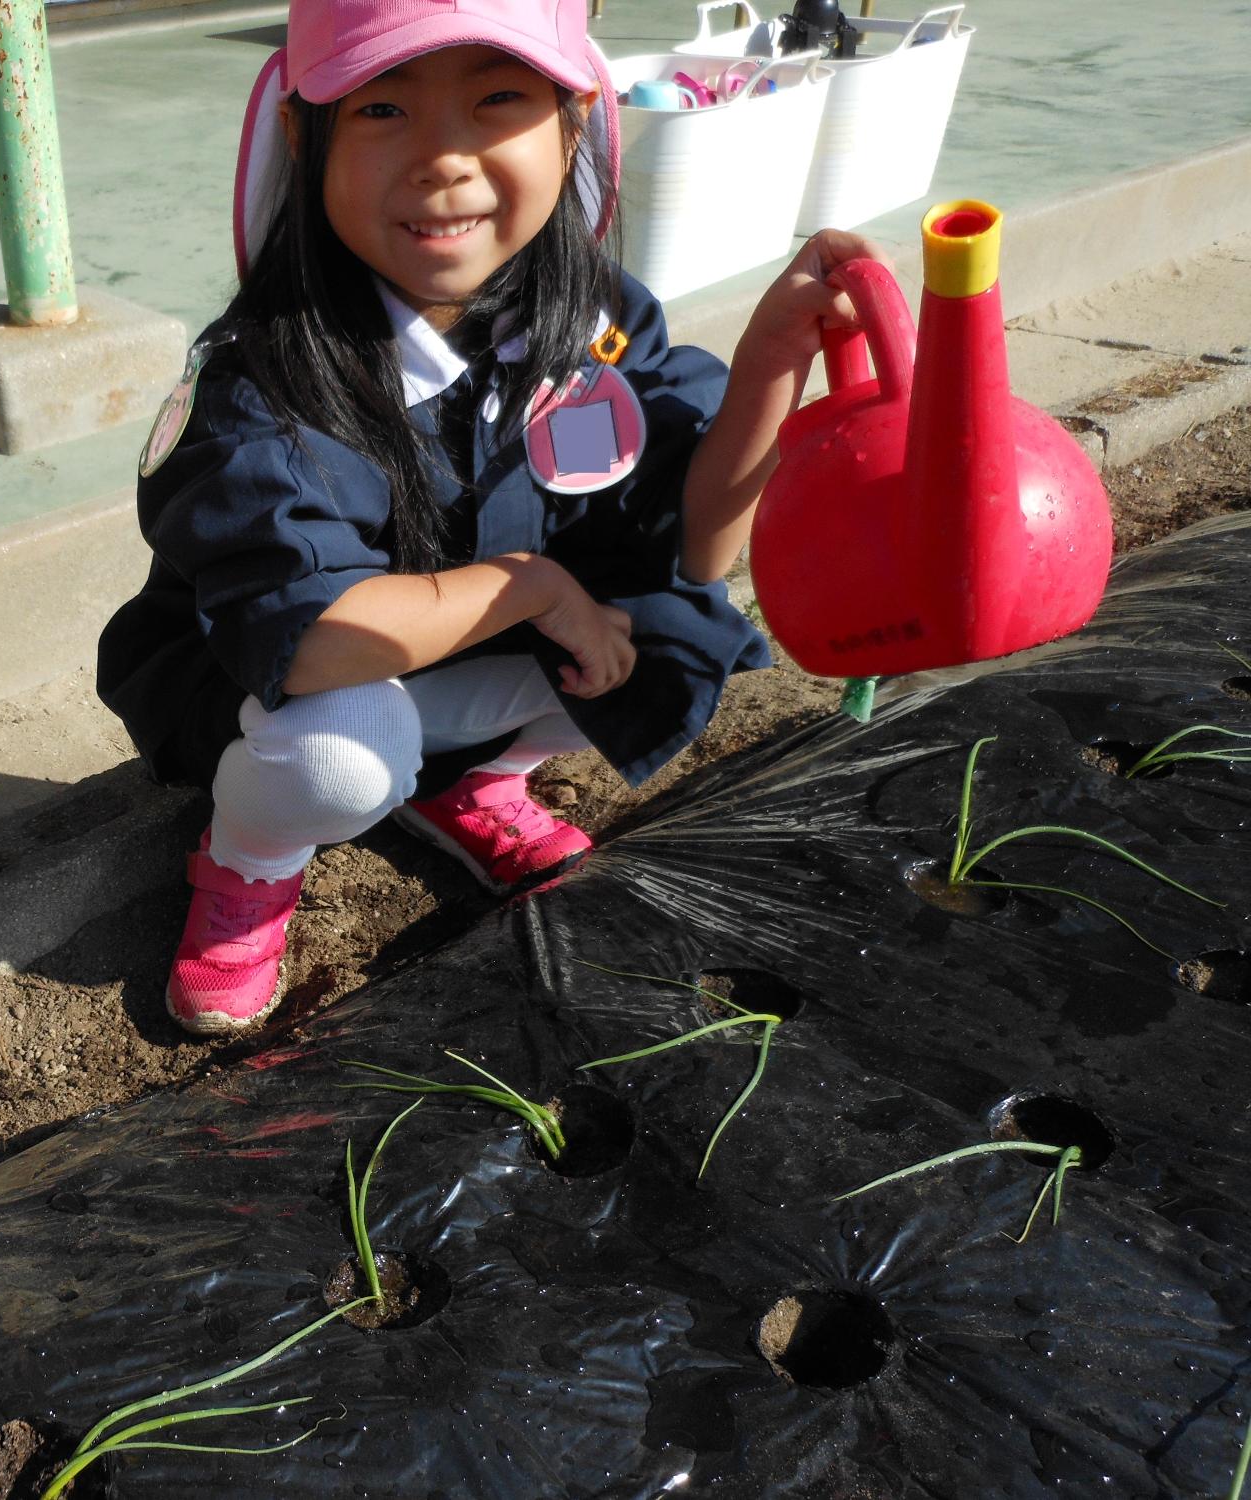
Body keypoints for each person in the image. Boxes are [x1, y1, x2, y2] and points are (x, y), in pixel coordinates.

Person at [98, 0, 881, 1036]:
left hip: (461, 661)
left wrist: (775, 356)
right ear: (303, 135)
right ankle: (246, 865)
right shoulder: (269, 381)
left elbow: (697, 546)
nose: (443, 160)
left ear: (574, 121)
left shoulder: (589, 317)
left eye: (497, 100)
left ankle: (468, 786)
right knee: (341, 754)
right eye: (382, 108)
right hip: (285, 687)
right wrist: (537, 588)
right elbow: (317, 640)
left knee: (671, 628)